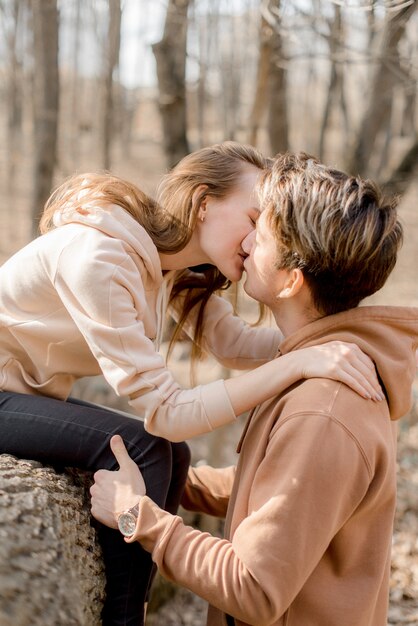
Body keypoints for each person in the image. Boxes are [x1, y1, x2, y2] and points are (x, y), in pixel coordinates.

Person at [0, 142, 381, 626]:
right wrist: (300, 364)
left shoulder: (174, 269)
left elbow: (235, 343)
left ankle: (132, 599)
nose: (253, 240)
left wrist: (329, 342)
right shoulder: (101, 258)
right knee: (146, 446)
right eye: (252, 217)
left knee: (170, 454)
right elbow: (168, 413)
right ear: (205, 203)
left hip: (22, 395)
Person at [90, 152, 418, 626]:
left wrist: (135, 517)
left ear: (290, 280)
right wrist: (166, 476)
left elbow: (253, 589)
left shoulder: (323, 412)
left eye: (259, 234)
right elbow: (277, 486)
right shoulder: (321, 366)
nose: (244, 242)